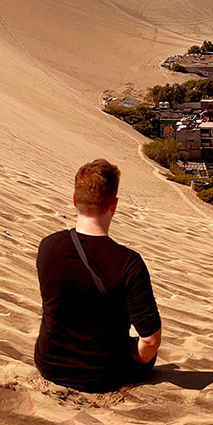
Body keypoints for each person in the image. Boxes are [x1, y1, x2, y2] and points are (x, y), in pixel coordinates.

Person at [34, 159, 162, 392]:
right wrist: (138, 357)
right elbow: (151, 340)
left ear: (75, 200)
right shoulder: (129, 262)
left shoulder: (48, 246)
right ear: (114, 205)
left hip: (50, 365)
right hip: (104, 375)